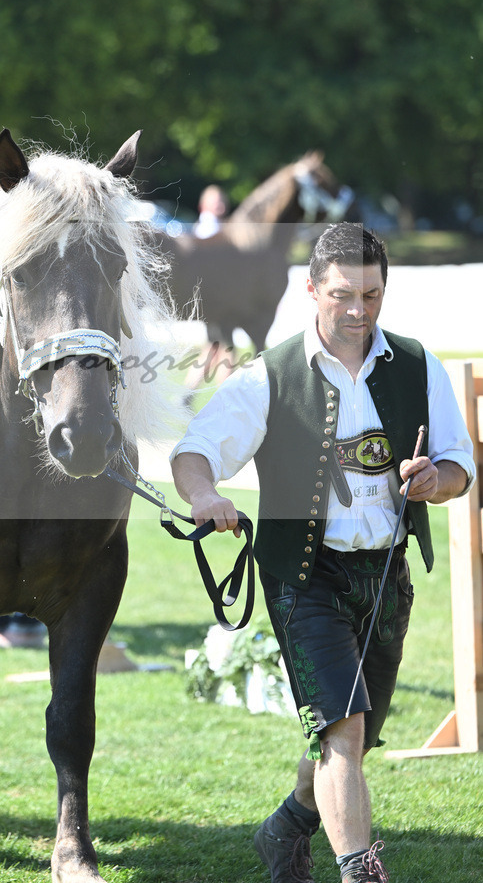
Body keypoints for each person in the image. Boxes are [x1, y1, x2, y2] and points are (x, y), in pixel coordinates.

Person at [170, 223, 475, 883]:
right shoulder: (269, 376)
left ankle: (285, 828)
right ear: (310, 290)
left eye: (371, 294)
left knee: (350, 736)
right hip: (302, 576)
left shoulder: (417, 365)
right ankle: (359, 872)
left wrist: (434, 480)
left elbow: (458, 466)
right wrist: (202, 496)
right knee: (341, 731)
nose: (357, 310)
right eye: (341, 295)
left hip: (386, 575)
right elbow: (193, 453)